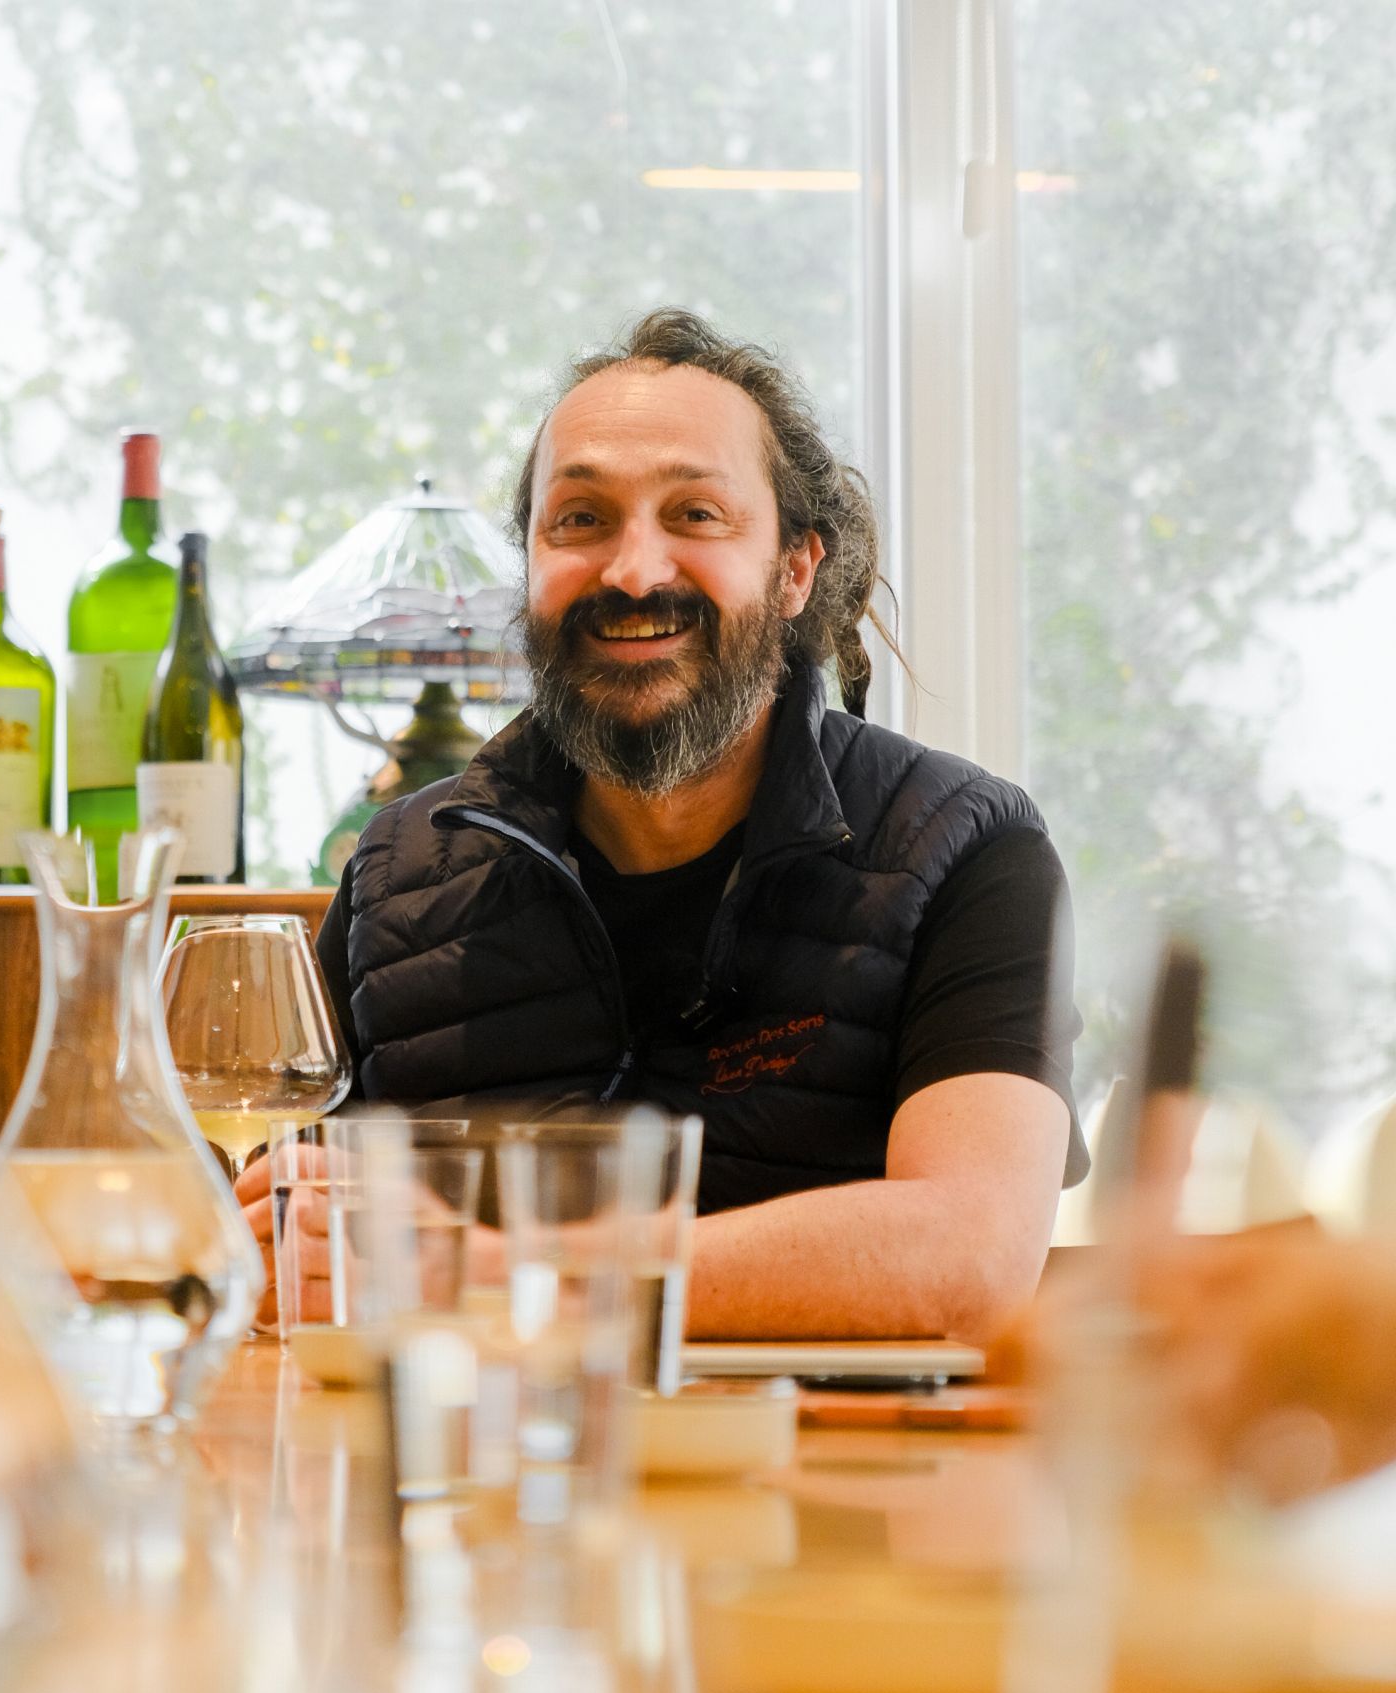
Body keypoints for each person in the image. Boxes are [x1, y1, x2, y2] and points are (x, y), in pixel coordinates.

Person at [240, 307, 1086, 1339]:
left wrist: (495, 1273)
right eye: (579, 519)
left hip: (823, 1446)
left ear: (794, 570)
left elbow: (972, 1258)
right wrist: (274, 1242)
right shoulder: (394, 872)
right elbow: (284, 1238)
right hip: (467, 1443)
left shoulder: (967, 852)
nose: (633, 571)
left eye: (695, 514)